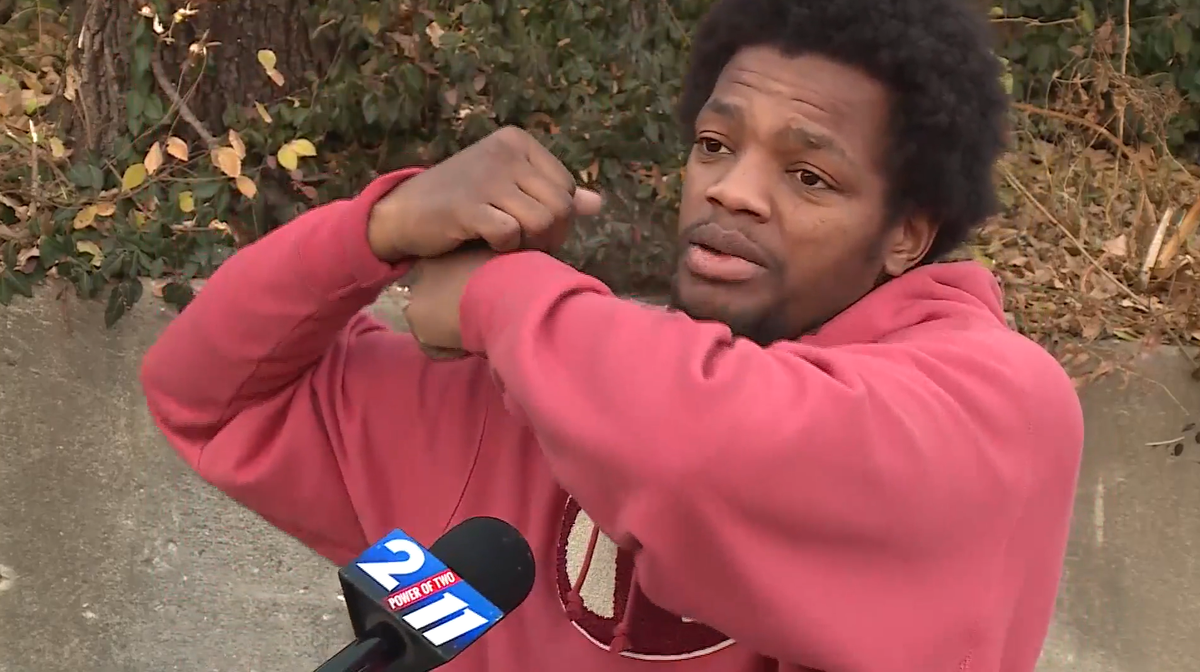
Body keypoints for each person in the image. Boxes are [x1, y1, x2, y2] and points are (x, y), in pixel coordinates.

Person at [139, 0, 1085, 669]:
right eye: (715, 145)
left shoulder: (999, 405)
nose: (731, 189)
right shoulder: (519, 403)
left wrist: (500, 295)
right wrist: (377, 228)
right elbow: (209, 398)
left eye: (810, 175)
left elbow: (708, 453)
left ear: (907, 235)